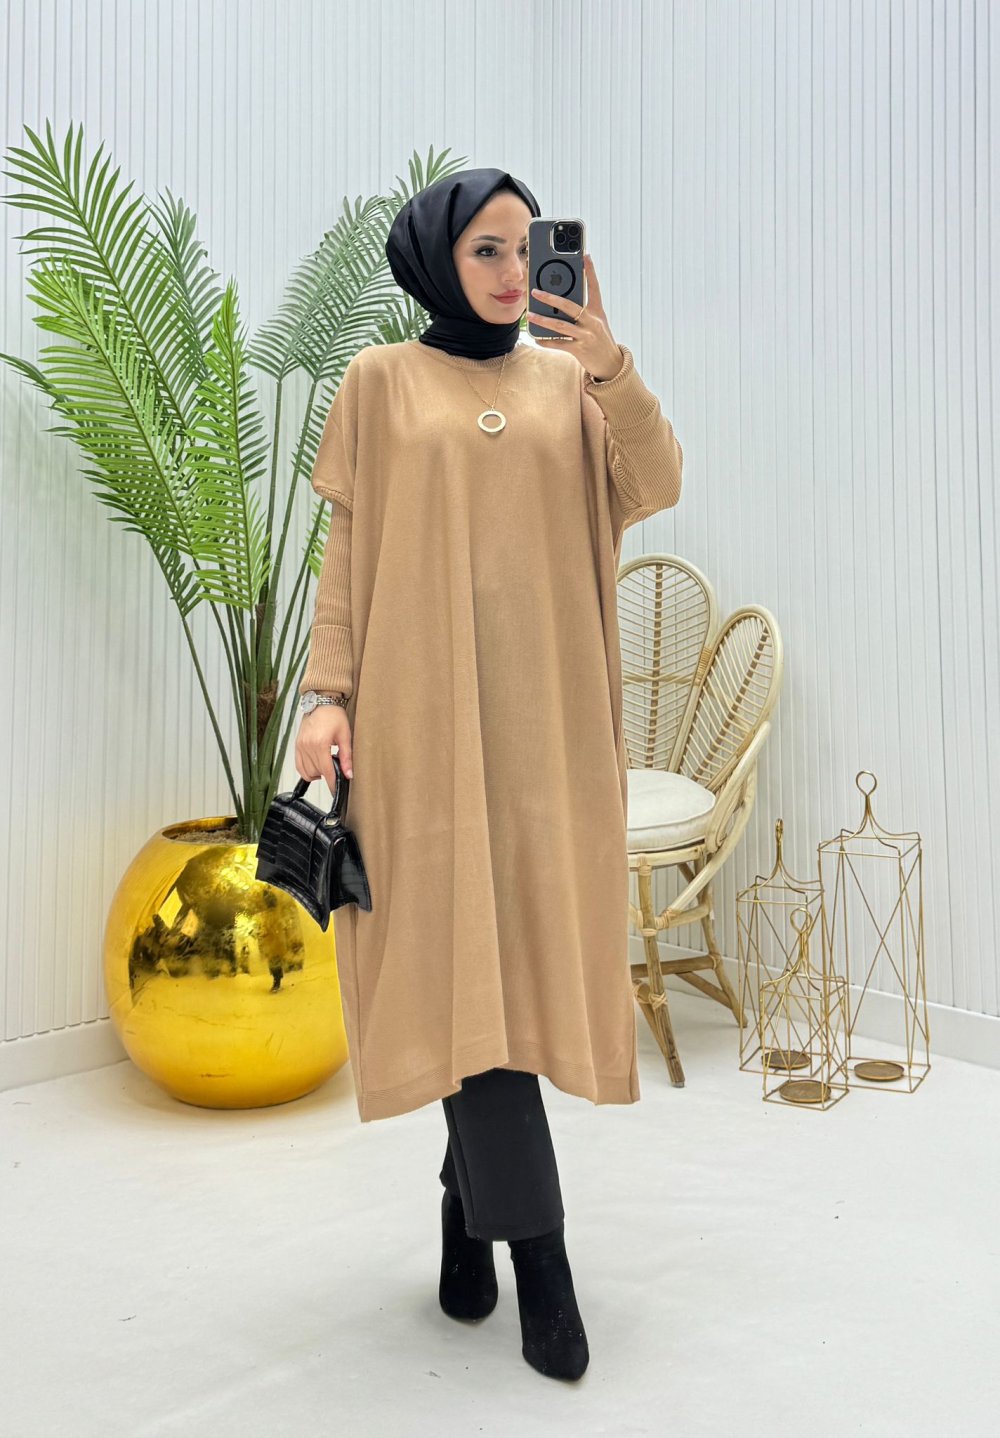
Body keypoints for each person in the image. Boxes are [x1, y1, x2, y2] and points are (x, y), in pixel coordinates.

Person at [294, 168, 684, 1381]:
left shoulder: (572, 384)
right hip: (418, 733)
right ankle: (543, 1268)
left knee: (509, 979)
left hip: (545, 736)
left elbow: (657, 483)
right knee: (462, 971)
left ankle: (467, 1216)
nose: (515, 272)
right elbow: (345, 549)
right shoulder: (378, 381)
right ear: (434, 261)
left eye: (527, 248)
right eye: (486, 251)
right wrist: (324, 694)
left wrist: (611, 367)